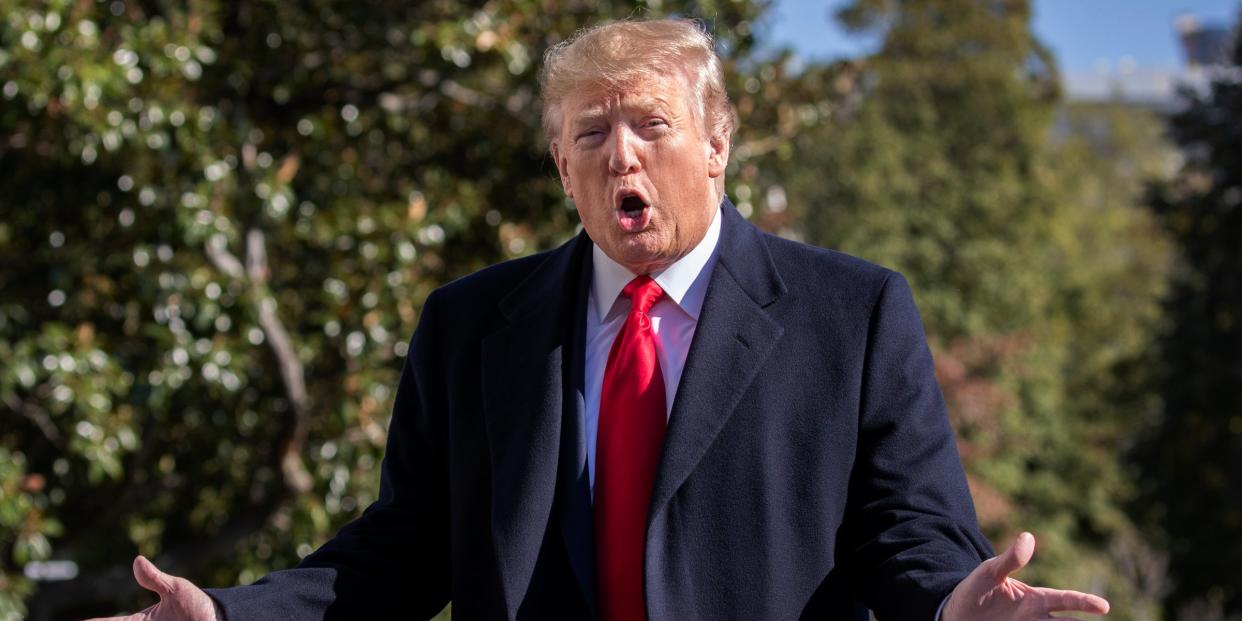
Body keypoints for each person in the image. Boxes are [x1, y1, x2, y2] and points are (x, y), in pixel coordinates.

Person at [91, 18, 1111, 621]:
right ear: (562, 168)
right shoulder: (472, 324)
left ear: (716, 146)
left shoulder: (853, 313)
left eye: (651, 125)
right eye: (592, 133)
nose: (622, 155)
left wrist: (948, 606)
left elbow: (909, 529)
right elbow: (403, 549)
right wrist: (232, 613)